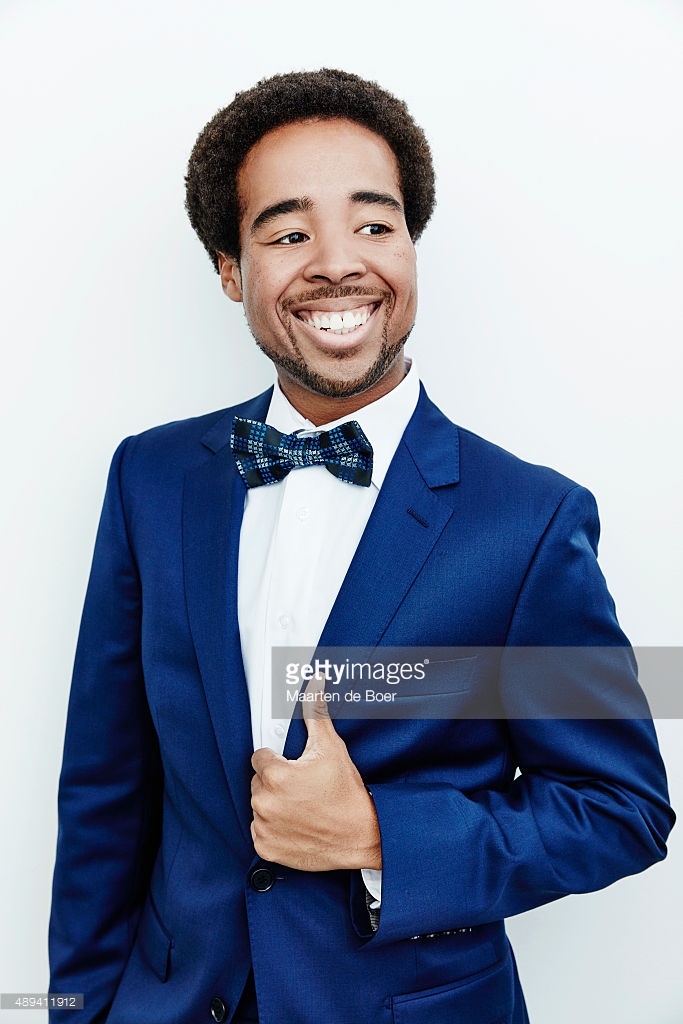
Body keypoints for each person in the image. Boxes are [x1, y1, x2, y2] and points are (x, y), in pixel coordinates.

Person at [49, 69, 674, 1024]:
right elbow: (105, 786)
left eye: (373, 226)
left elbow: (618, 808)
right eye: (289, 233)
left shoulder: (527, 521)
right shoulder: (151, 478)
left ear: (412, 248)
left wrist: (379, 835)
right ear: (230, 270)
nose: (337, 263)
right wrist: (74, 1010)